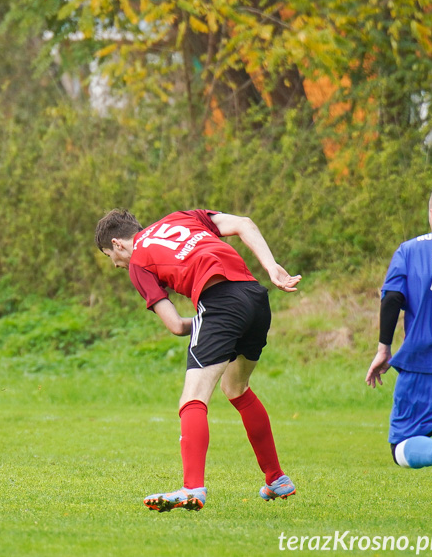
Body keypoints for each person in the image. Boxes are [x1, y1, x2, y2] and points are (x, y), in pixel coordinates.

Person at [95, 208, 301, 512]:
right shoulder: (178, 218)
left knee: (192, 398)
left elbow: (177, 325)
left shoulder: (138, 262)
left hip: (220, 303)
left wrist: (214, 321)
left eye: (109, 256)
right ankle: (276, 479)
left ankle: (192, 488)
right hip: (255, 297)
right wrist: (271, 268)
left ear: (118, 243)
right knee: (237, 389)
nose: (114, 264)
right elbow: (244, 223)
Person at [366, 181, 432, 500]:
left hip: (424, 362)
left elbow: (392, 298)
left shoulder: (411, 250)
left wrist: (384, 348)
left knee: (401, 445)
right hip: (424, 362)